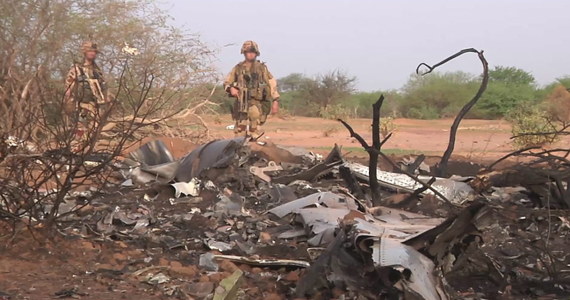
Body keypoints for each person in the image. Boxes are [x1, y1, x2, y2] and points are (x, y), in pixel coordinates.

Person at [223, 40, 280, 139]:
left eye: (252, 52)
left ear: (256, 53)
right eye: (248, 52)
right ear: (244, 53)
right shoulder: (238, 68)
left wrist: (275, 100)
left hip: (256, 104)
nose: (250, 54)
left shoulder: (262, 68)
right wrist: (231, 88)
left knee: (255, 131)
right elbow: (227, 82)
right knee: (240, 132)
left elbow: (271, 83)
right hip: (241, 104)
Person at [64, 41, 109, 149]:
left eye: (94, 52)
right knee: (79, 132)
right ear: (85, 52)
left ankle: (88, 153)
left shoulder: (97, 71)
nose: (92, 53)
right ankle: (74, 153)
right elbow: (68, 89)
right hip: (81, 106)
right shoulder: (76, 69)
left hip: (96, 107)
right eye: (90, 51)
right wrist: (69, 104)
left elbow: (103, 89)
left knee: (94, 132)